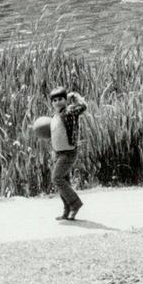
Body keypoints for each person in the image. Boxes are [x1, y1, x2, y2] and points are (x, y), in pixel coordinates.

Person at [48, 87, 88, 220]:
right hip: (59, 153)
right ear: (52, 103)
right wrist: (54, 152)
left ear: (65, 100)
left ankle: (75, 204)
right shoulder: (54, 117)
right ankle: (67, 210)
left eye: (61, 99)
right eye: (55, 100)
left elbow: (82, 106)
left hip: (69, 152)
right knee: (63, 181)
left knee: (57, 178)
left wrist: (73, 96)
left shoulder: (69, 112)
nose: (58, 102)